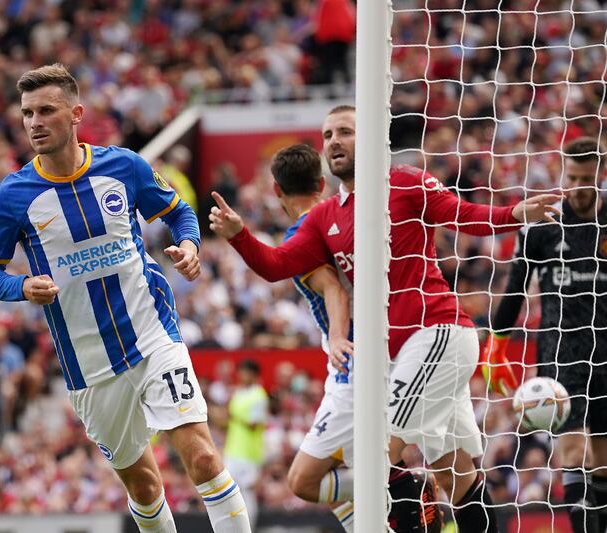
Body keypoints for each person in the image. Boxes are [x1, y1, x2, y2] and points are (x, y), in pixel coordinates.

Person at [209, 105, 561, 532]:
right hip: (400, 355)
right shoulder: (323, 217)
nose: (334, 141)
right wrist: (239, 235)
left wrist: (514, 215)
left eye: (345, 131)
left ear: (373, 138)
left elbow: (462, 214)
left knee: (380, 448)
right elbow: (275, 264)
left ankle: (403, 512)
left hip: (439, 335)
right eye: (327, 135)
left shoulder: (406, 181)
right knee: (455, 470)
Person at [0, 63, 250, 533]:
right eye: (27, 114)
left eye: (46, 111)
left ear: (76, 113)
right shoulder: (13, 195)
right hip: (88, 364)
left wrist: (190, 245)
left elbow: (180, 213)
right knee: (142, 487)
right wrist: (21, 287)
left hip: (152, 336)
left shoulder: (124, 166)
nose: (35, 122)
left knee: (202, 457)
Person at [268, 144, 441, 532]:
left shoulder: (303, 232)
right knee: (346, 470)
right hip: (388, 344)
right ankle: (392, 504)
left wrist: (336, 336)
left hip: (352, 361)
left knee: (305, 481)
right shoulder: (346, 217)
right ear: (321, 182)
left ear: (276, 191)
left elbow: (335, 291)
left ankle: (405, 487)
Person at [483, 137, 607, 533]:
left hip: (604, 352)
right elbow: (516, 287)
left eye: (587, 178)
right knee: (571, 452)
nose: (580, 187)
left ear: (599, 175)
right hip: (558, 353)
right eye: (572, 177)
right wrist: (496, 344)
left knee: (603, 460)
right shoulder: (542, 227)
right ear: (561, 173)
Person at [223, 359, 269, 530]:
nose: (242, 375)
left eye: (246, 372)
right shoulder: (238, 393)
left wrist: (233, 417)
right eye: (241, 371)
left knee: (247, 493)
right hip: (232, 449)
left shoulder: (259, 395)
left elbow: (254, 425)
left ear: (254, 375)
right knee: (230, 492)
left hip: (249, 453)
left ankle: (248, 529)